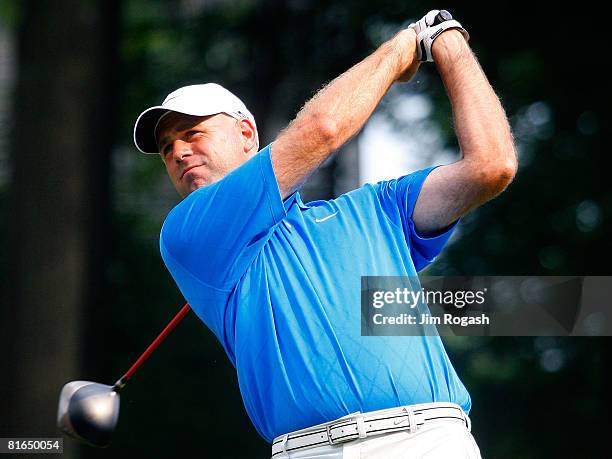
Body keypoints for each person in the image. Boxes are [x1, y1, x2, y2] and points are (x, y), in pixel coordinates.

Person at [133, 9, 516, 459]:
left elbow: (492, 165)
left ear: (246, 133)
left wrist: (446, 39)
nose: (178, 152)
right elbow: (323, 129)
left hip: (430, 438)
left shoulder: (376, 208)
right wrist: (404, 46)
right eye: (165, 149)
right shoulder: (187, 233)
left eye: (192, 133)